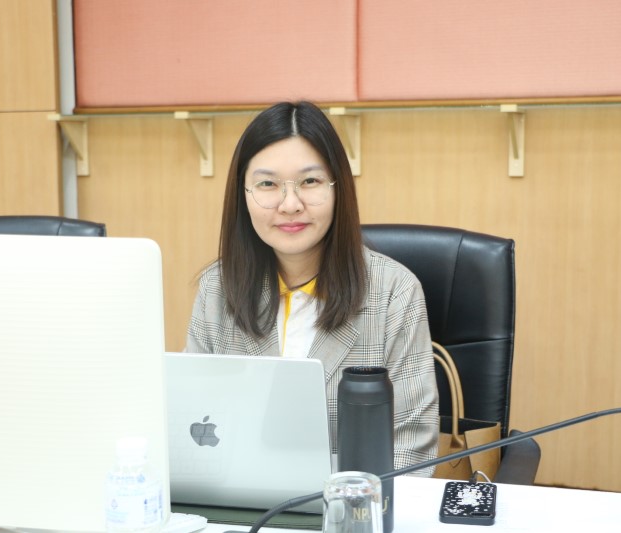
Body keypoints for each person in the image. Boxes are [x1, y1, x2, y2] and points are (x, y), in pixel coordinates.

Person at [186, 101, 438, 474]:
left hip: (353, 506)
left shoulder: (394, 293)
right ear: (243, 195)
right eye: (268, 184)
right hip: (236, 502)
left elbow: (411, 447)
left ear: (338, 189)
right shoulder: (217, 290)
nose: (290, 205)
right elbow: (191, 424)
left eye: (310, 182)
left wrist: (349, 505)